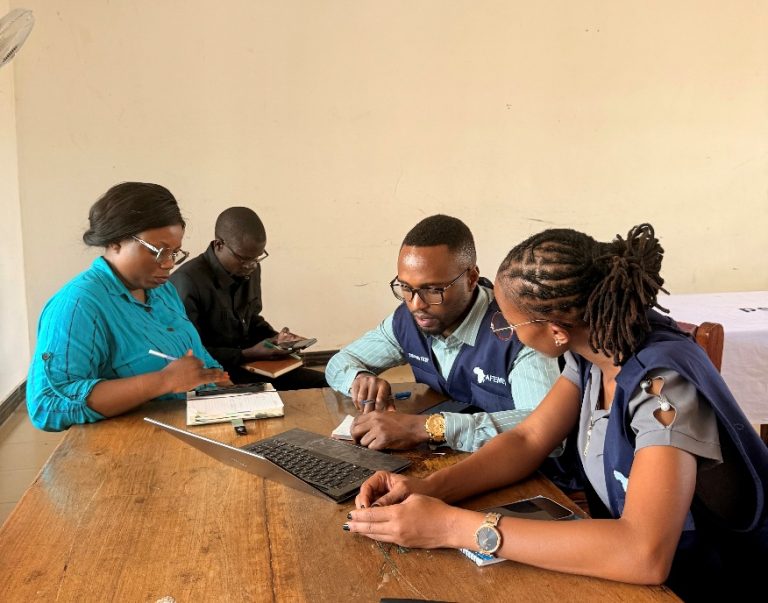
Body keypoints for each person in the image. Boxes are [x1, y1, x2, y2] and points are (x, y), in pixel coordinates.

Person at [343, 223, 768, 601]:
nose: (505, 335)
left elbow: (643, 553)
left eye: (509, 328)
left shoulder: (662, 386)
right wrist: (432, 490)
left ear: (557, 332)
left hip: (712, 581)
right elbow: (528, 439)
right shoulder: (589, 357)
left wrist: (452, 527)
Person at [325, 214, 560, 451]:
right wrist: (358, 379)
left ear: (471, 278)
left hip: (533, 474)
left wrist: (429, 428)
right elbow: (339, 363)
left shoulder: (520, 333)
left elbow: (545, 427)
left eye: (434, 289)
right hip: (456, 461)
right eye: (406, 288)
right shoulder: (408, 320)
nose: (416, 304)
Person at [27, 182, 228, 432]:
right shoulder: (79, 305)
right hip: (129, 449)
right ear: (116, 242)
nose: (168, 264)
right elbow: (47, 405)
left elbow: (193, 352)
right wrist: (162, 381)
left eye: (175, 253)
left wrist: (217, 380)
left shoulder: (162, 290)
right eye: (160, 251)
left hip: (193, 430)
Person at [169, 207, 327, 390]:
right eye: (244, 258)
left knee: (326, 384)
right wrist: (246, 354)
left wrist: (276, 339)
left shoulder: (250, 268)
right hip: (215, 374)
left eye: (257, 258)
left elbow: (250, 319)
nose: (251, 266)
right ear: (219, 244)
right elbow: (191, 351)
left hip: (254, 365)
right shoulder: (186, 281)